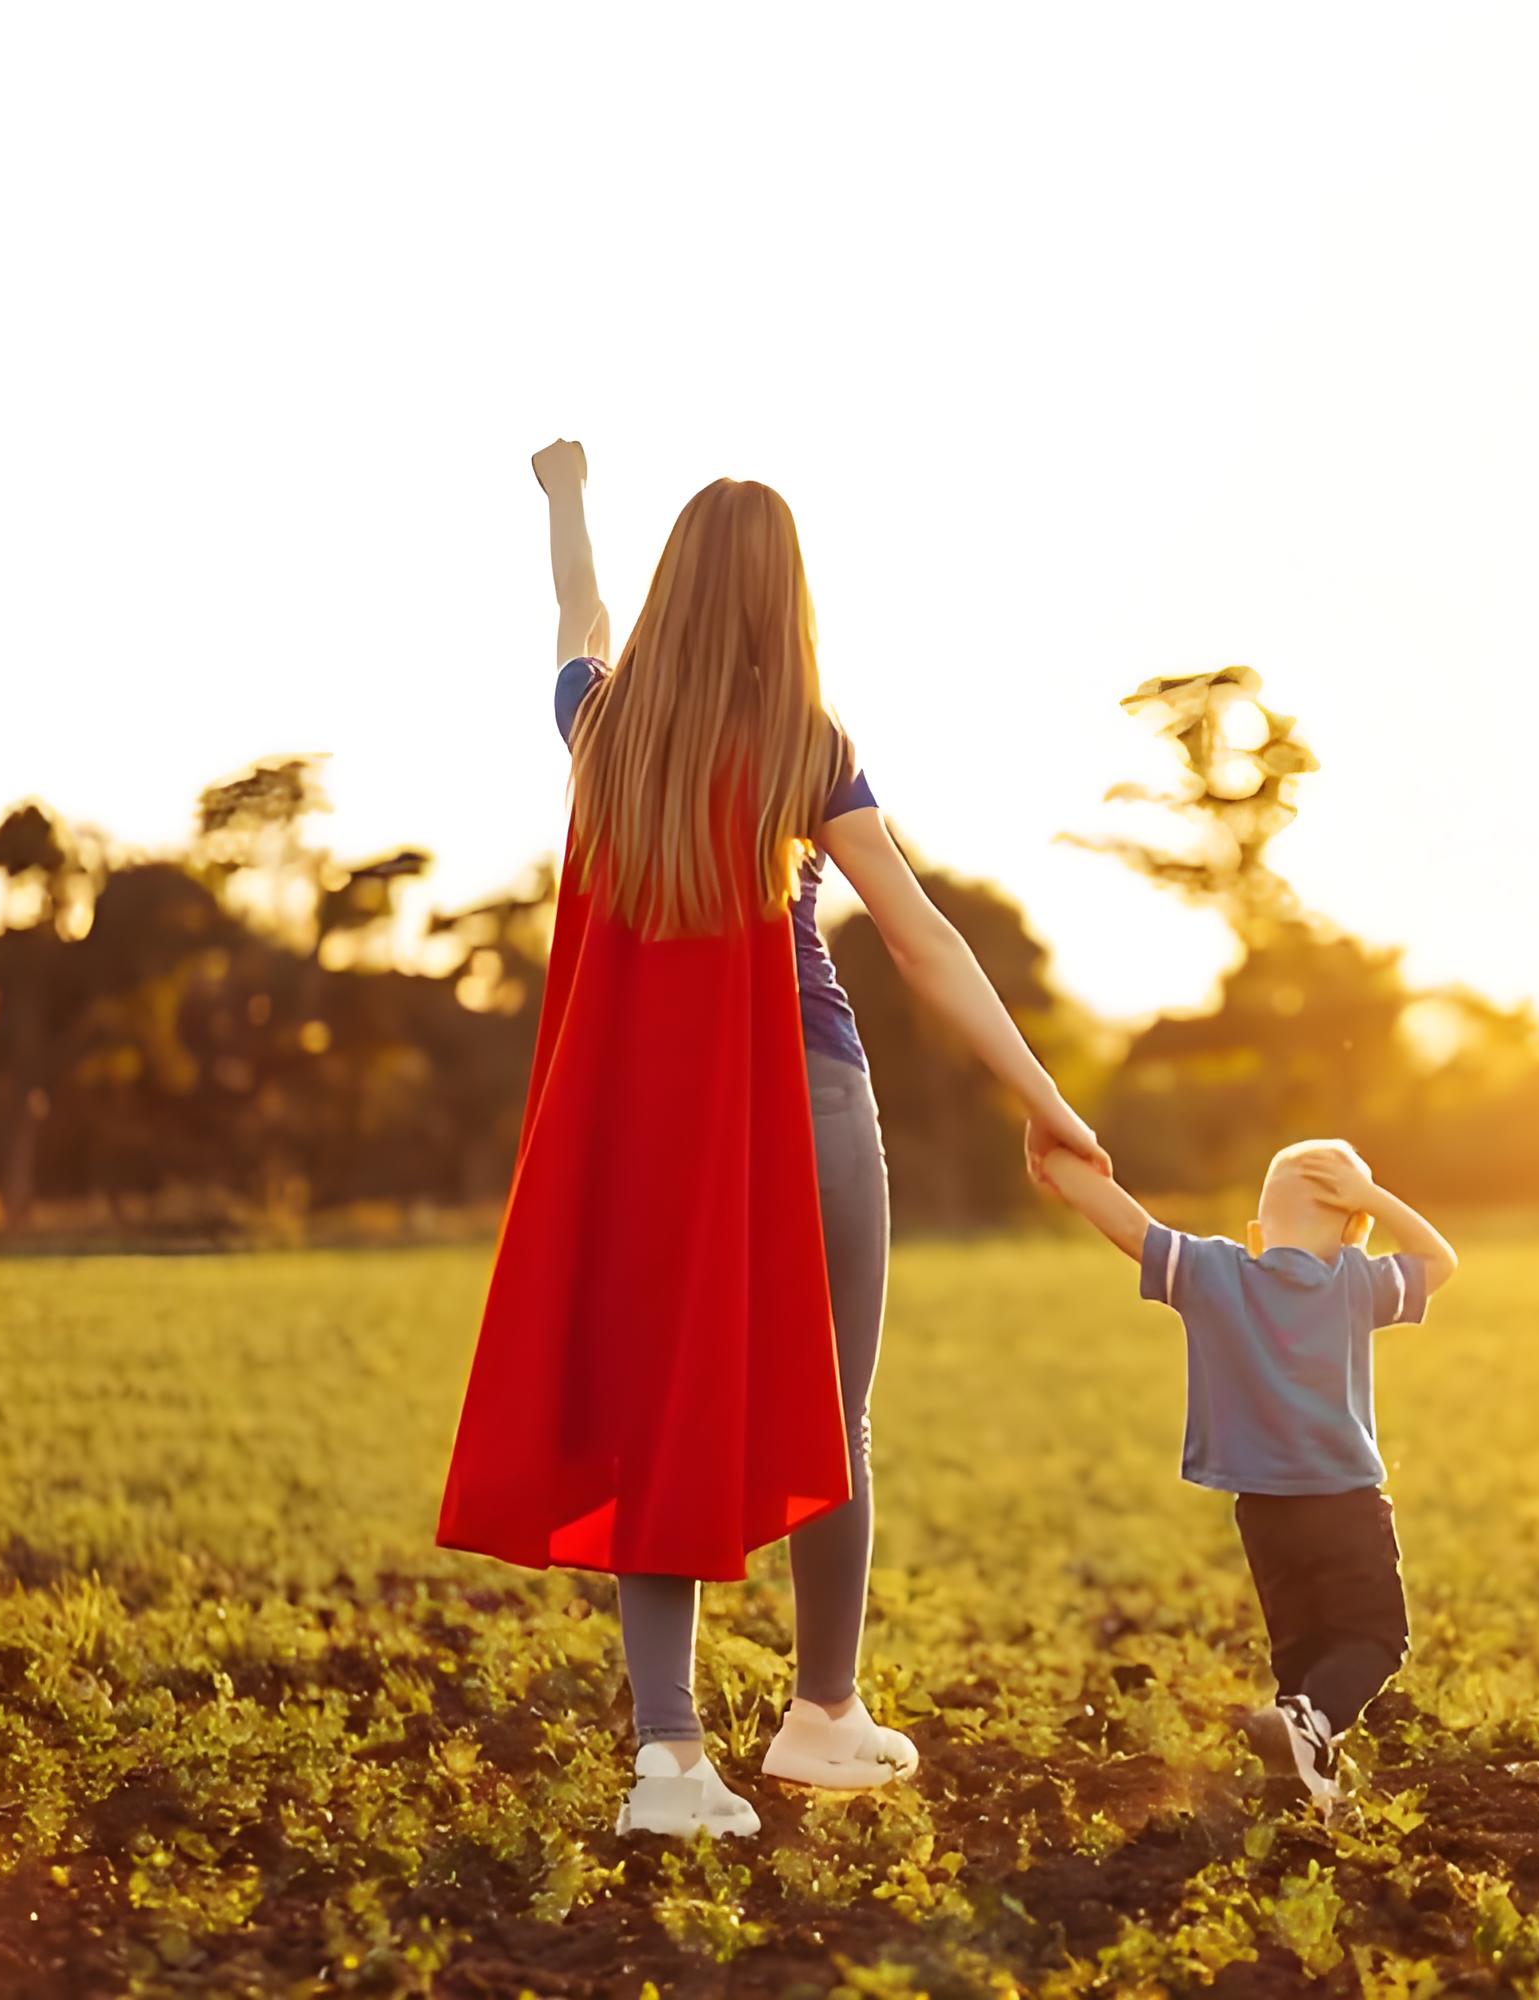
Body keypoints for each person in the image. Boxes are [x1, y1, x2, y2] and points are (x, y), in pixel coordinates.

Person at [439, 441, 1109, 1842]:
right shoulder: (811, 745)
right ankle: (821, 1717)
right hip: (806, 1094)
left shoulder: (603, 727)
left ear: (682, 589)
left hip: (656, 1125)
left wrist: (565, 501)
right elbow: (918, 940)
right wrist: (1046, 1100)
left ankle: (670, 1760)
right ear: (784, 602)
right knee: (836, 1408)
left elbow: (577, 621)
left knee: (655, 1410)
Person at [1035, 1137, 1457, 1809]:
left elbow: (1130, 1228)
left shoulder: (1216, 1273)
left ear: (1257, 1231)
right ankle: (1307, 1728)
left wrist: (1062, 1166)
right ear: (1354, 1232)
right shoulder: (1354, 1280)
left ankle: (1296, 1780)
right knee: (1375, 1638)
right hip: (1344, 1506)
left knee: (1301, 1649)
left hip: (1263, 1512)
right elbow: (1441, 1260)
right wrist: (1372, 1197)